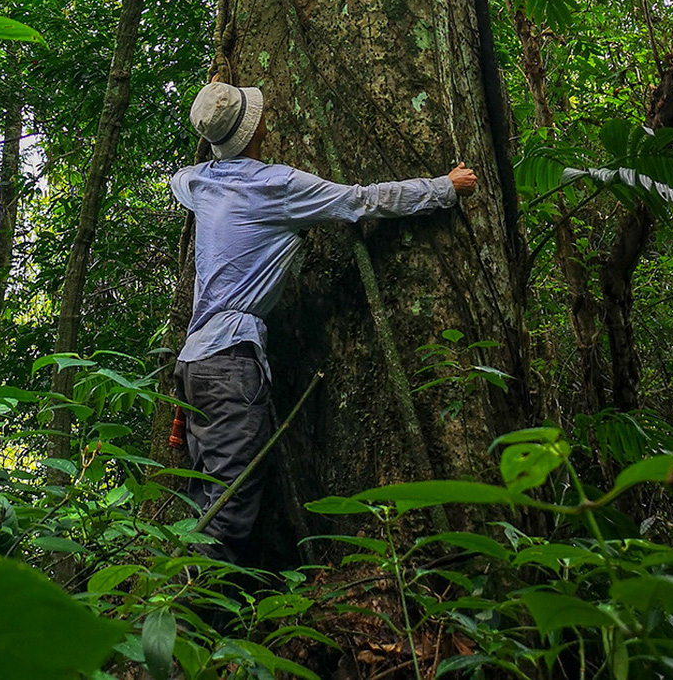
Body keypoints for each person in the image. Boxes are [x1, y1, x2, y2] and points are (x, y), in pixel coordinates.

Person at [170, 79, 476, 568]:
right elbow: (362, 201)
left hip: (191, 368)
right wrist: (444, 188)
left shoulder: (199, 183)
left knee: (204, 501)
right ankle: (180, 623)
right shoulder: (276, 186)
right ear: (255, 129)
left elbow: (179, 178)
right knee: (228, 510)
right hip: (229, 365)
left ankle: (181, 613)